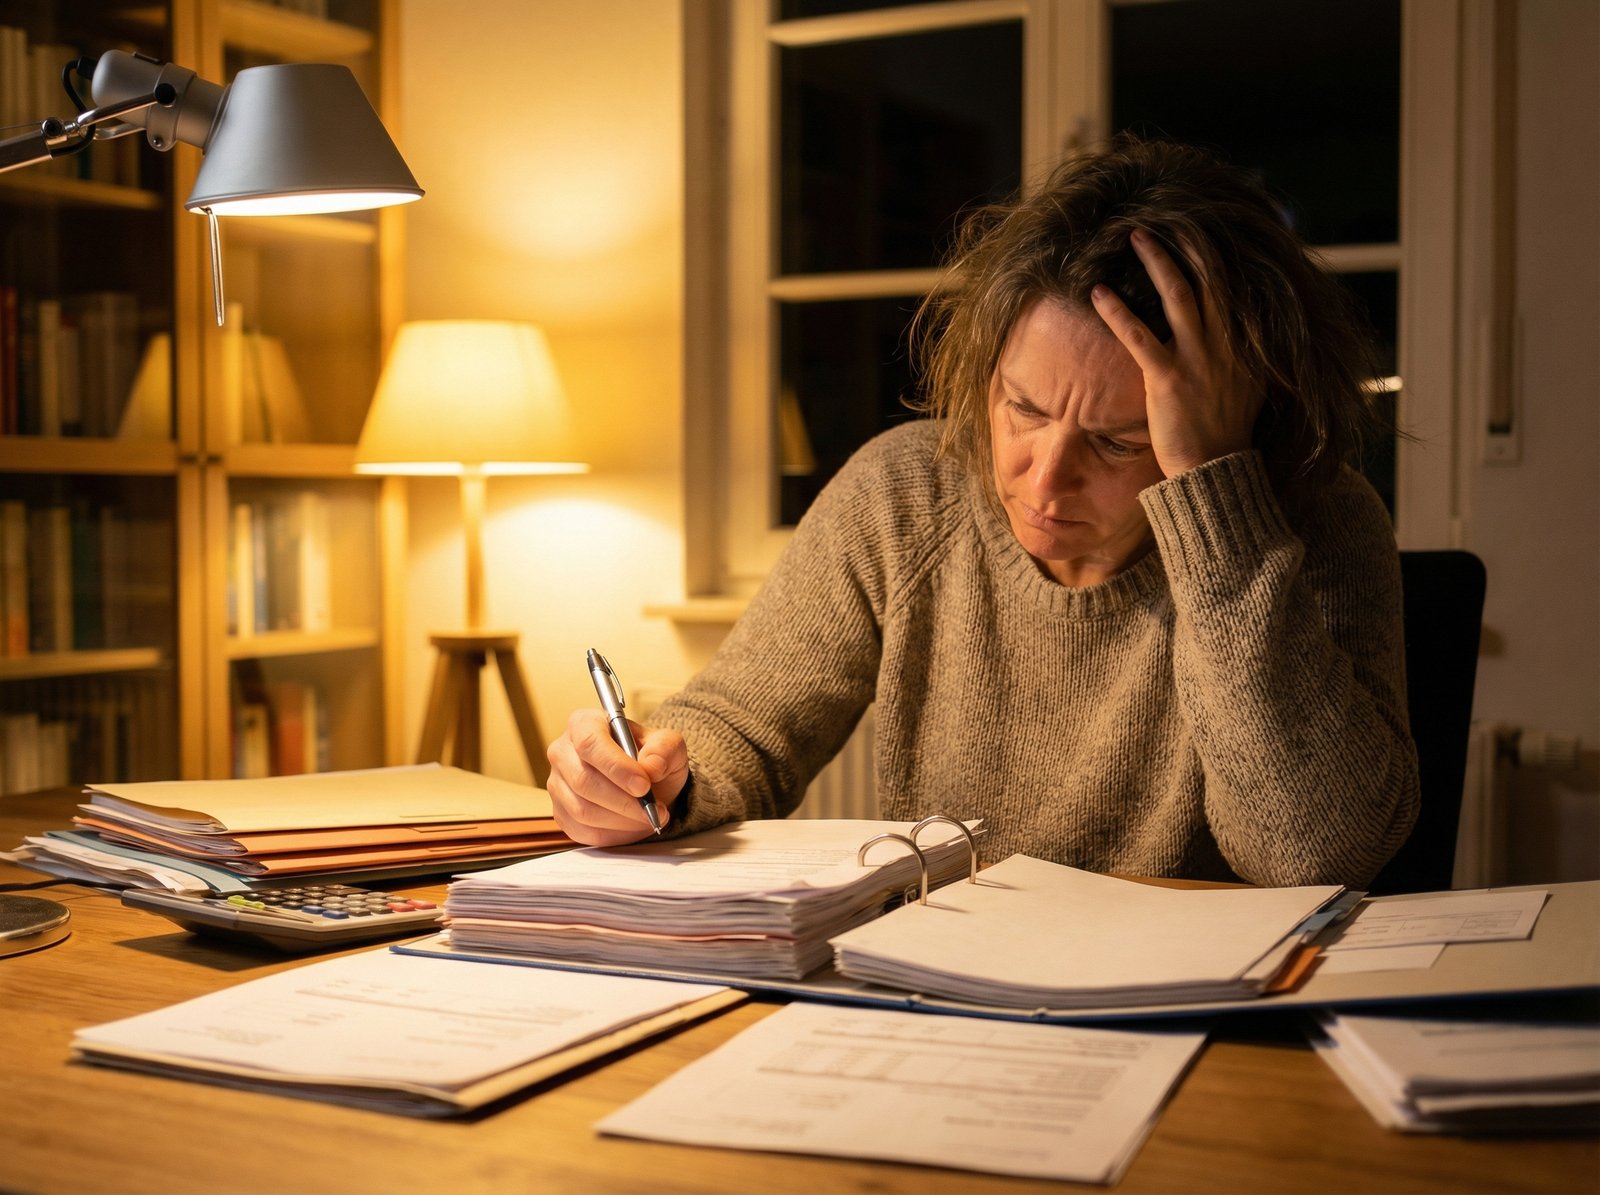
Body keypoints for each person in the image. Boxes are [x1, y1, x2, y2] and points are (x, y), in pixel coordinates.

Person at [546, 136, 1420, 889]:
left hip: (1208, 1032)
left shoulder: (1316, 517)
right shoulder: (907, 491)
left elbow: (1311, 853)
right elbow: (744, 725)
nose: (1042, 484)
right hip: (940, 1001)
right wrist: (655, 778)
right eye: (1024, 410)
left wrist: (1215, 495)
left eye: (1120, 443)